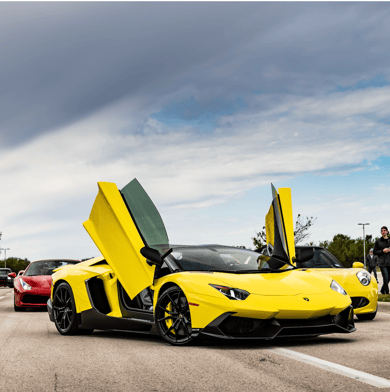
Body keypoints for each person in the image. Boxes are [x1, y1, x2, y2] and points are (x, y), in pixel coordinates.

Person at [373, 226, 390, 295]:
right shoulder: (378, 241)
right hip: (382, 262)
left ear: (387, 232)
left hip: (389, 262)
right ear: (381, 232)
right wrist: (382, 251)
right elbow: (374, 252)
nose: (383, 232)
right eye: (382, 231)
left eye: (384, 230)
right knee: (385, 277)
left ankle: (383, 290)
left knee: (388, 278)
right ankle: (387, 293)